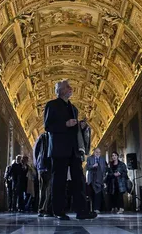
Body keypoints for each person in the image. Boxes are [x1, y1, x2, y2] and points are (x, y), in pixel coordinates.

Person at [44, 80, 98, 220]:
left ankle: (82, 211)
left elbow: (74, 129)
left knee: (79, 180)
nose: (71, 88)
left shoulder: (74, 108)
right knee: (59, 181)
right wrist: (65, 124)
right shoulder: (52, 105)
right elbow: (48, 126)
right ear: (60, 90)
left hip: (74, 149)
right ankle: (58, 211)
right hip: (59, 149)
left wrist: (81, 126)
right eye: (67, 87)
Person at [34, 131, 52, 216]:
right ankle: (42, 209)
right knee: (44, 188)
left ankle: (44, 209)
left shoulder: (42, 137)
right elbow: (36, 151)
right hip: (43, 165)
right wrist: (37, 164)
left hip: (46, 165)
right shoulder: (42, 137)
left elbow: (36, 151)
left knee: (46, 188)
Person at [86, 147, 106, 213]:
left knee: (98, 193)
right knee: (92, 193)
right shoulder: (89, 158)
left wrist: (104, 177)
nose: (98, 154)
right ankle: (92, 208)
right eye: (96, 152)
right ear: (94, 152)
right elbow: (87, 167)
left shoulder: (103, 159)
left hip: (99, 179)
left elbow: (104, 169)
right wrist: (93, 166)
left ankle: (97, 209)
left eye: (99, 152)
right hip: (92, 178)